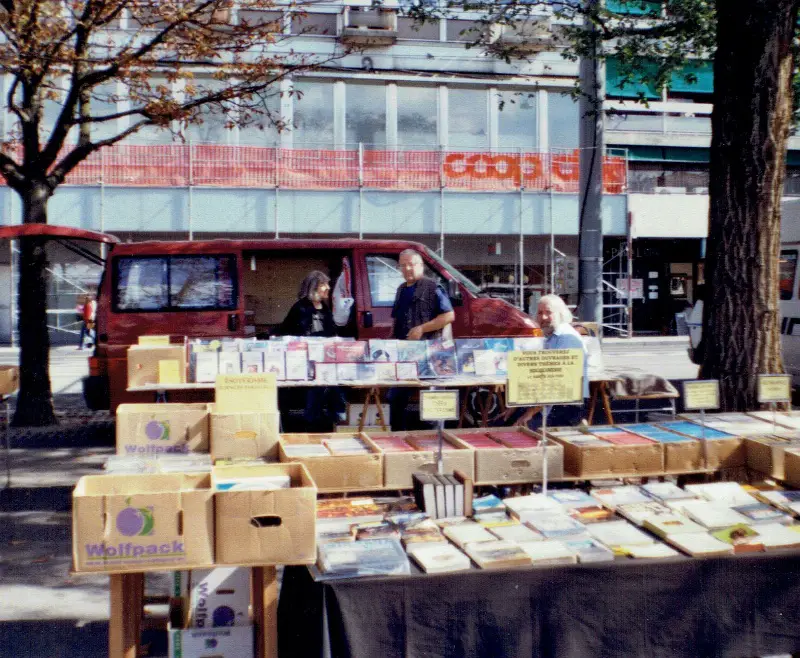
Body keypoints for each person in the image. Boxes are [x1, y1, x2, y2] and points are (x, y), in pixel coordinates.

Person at [389, 249, 455, 430]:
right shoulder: (401, 290)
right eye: (403, 265)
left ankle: (435, 444)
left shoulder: (433, 287)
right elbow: (396, 320)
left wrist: (422, 329)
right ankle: (397, 440)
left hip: (431, 353)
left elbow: (449, 316)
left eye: (411, 264)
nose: (407, 269)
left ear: (421, 265)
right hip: (405, 354)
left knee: (433, 404)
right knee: (395, 398)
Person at [279, 271, 345, 431]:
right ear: (314, 287)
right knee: (317, 385)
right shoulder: (300, 307)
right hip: (304, 359)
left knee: (331, 381)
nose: (328, 288)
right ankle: (313, 420)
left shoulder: (325, 307)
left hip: (324, 357)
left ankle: (334, 416)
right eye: (324, 284)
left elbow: (331, 331)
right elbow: (289, 331)